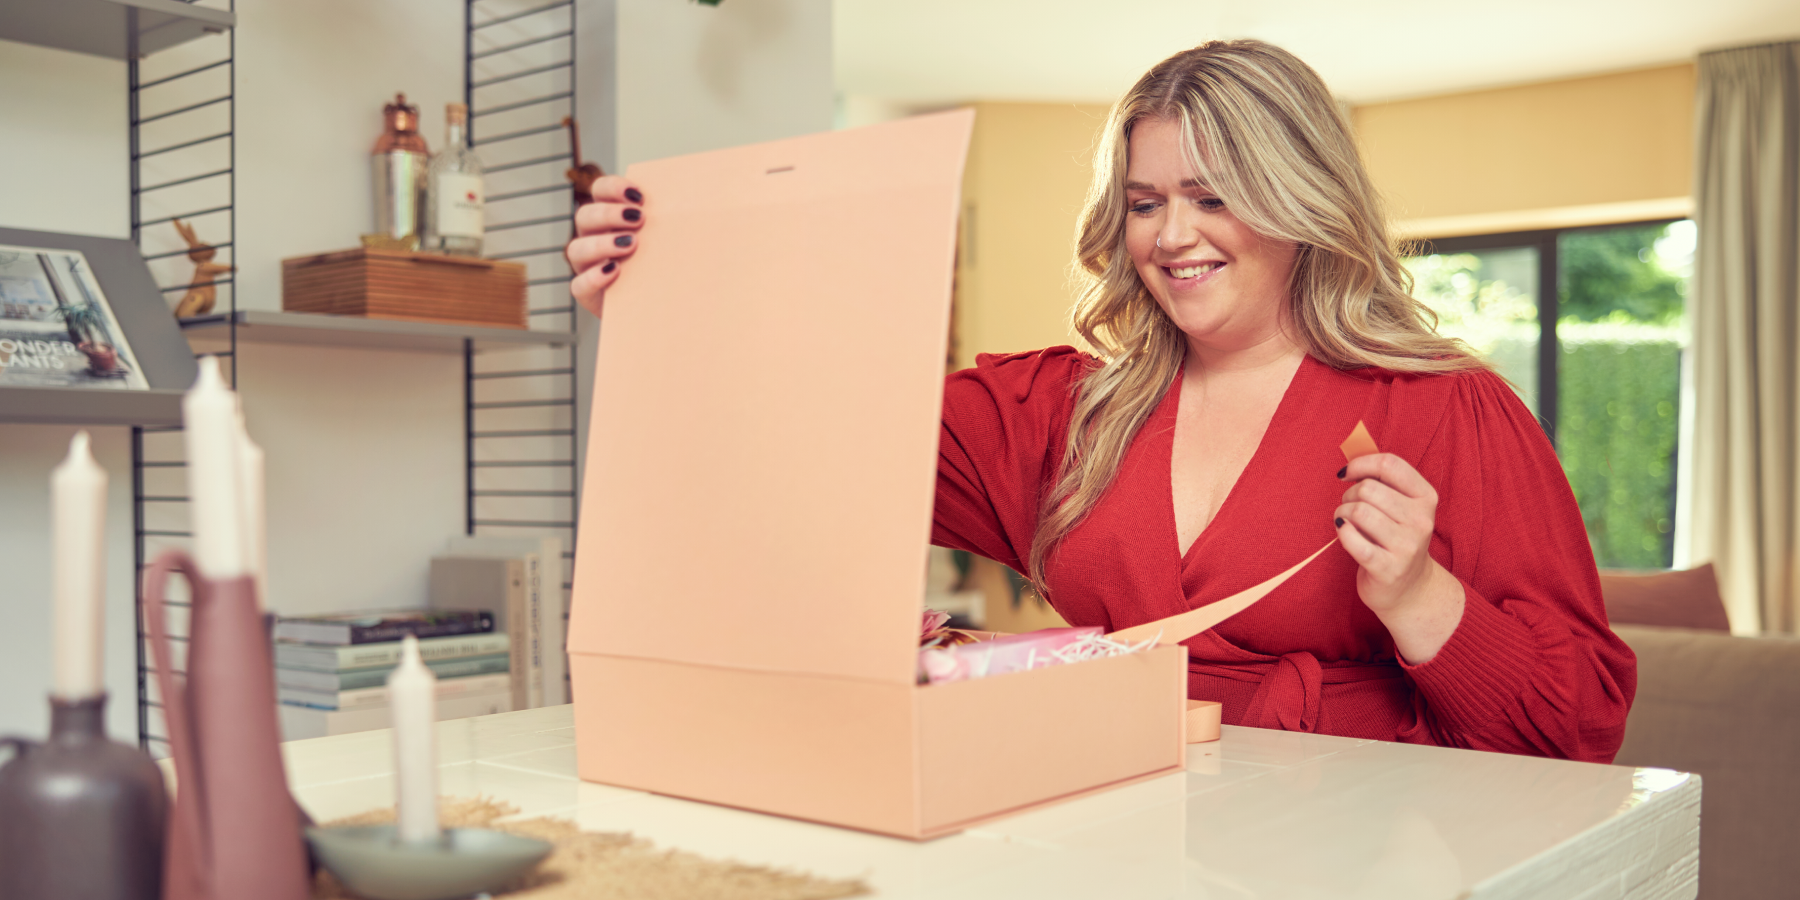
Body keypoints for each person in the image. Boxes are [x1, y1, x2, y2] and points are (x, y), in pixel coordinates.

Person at [564, 40, 1636, 762]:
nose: (1173, 236)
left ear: (1301, 202)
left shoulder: (1447, 411)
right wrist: (667, 297)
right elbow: (815, 433)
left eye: (1213, 196)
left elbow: (1581, 726)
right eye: (1145, 202)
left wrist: (1419, 595)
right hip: (1105, 839)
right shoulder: (1057, 411)